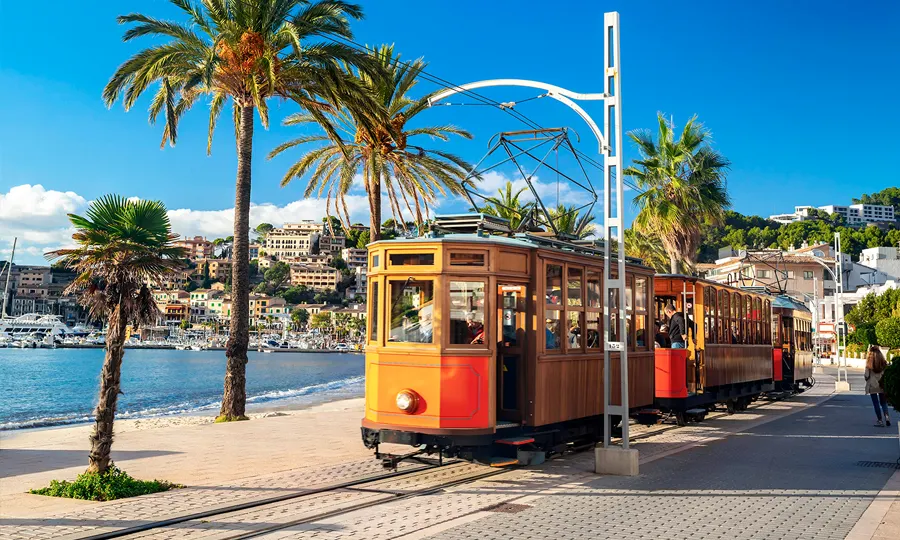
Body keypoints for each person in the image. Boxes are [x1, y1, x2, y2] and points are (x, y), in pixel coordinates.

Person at [865, 345, 891, 427]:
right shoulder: (883, 363)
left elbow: (866, 375)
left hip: (873, 385)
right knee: (883, 402)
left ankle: (880, 420)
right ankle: (887, 417)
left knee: (876, 403)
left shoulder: (869, 364)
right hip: (882, 385)